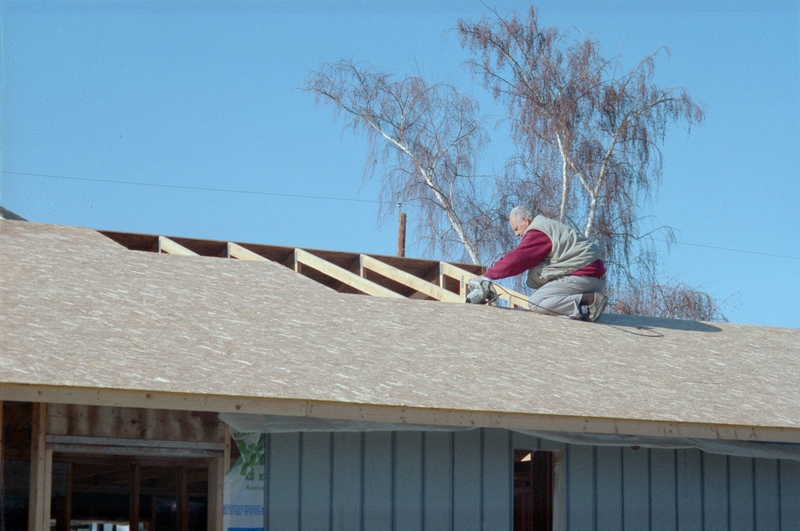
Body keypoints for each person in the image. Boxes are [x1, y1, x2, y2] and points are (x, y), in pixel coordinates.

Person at [482, 205, 608, 321]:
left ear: (525, 220)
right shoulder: (548, 228)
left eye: (516, 229)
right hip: (592, 277)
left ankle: (590, 302)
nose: (516, 234)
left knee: (536, 302)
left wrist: (487, 275)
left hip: (585, 276)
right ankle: (585, 308)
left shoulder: (538, 232)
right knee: (545, 297)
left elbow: (517, 259)